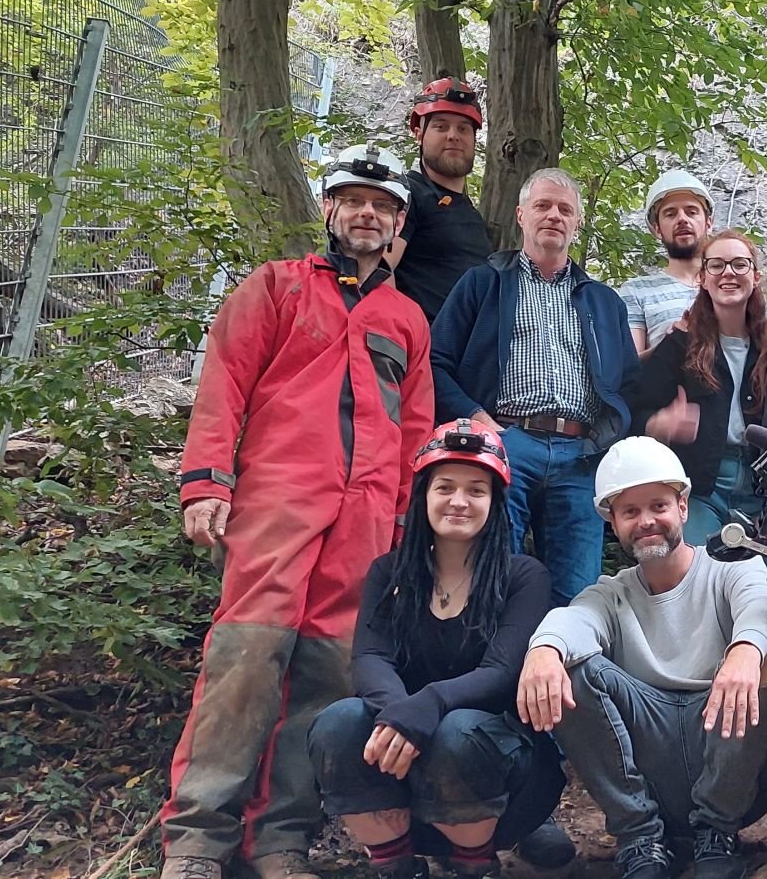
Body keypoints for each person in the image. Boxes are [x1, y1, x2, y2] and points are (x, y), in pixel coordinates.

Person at [162, 146, 435, 879]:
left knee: (329, 675)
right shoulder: (275, 288)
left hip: (368, 518)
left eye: (381, 205)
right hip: (278, 499)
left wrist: (408, 527)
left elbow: (415, 428)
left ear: (399, 223)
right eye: (353, 200)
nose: (367, 213)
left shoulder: (406, 318)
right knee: (247, 659)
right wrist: (207, 482)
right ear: (330, 211)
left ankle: (280, 839)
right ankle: (196, 841)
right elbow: (224, 385)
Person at [516, 436, 767, 879]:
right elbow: (574, 620)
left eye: (658, 506)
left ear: (683, 507)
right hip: (652, 758)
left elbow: (758, 605)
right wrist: (543, 649)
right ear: (614, 523)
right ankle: (639, 838)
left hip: (728, 756)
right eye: (630, 512)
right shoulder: (611, 594)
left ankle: (716, 832)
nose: (647, 521)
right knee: (570, 665)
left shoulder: (731, 566)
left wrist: (746, 649)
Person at [309, 421, 572, 879]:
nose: (459, 501)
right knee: (338, 722)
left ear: (494, 503)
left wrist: (427, 706)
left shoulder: (524, 576)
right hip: (402, 773)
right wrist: (400, 718)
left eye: (476, 490)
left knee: (457, 730)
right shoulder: (388, 572)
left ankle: (473, 864)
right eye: (445, 487)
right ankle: (395, 862)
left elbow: (503, 669)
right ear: (424, 496)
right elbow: (370, 658)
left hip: (500, 775)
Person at [430, 168, 637, 607]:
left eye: (565, 209)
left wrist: (606, 439)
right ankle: (488, 673)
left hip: (581, 457)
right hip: (507, 442)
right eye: (543, 206)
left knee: (578, 592)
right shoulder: (484, 283)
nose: (554, 216)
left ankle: (563, 673)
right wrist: (478, 419)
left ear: (578, 223)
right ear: (521, 215)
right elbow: (436, 362)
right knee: (489, 576)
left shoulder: (604, 301)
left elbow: (629, 384)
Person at [623, 230, 767, 543]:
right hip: (699, 487)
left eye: (739, 264)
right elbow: (631, 411)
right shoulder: (680, 344)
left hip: (764, 488)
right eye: (717, 265)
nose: (728, 273)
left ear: (756, 276)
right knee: (699, 578)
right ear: (702, 278)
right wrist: (658, 424)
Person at [390, 77, 494, 321]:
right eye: (441, 126)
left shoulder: (469, 213)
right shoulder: (405, 194)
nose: (453, 136)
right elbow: (377, 272)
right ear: (418, 134)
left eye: (463, 128)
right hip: (422, 352)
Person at [620, 170, 714, 354]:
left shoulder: (732, 280)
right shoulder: (636, 291)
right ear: (657, 229)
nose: (682, 219)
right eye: (670, 214)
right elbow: (630, 368)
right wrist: (672, 343)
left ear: (708, 223)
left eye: (691, 212)